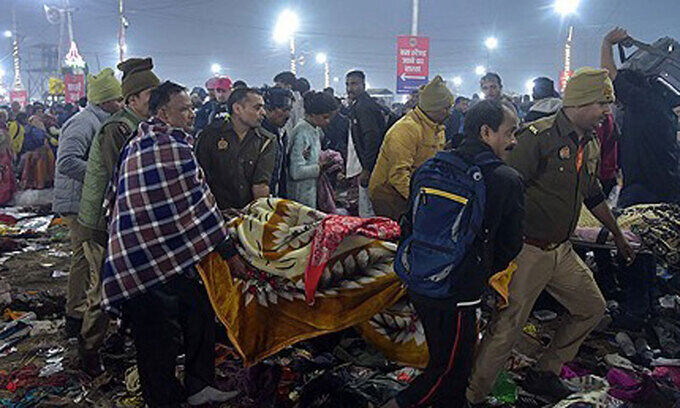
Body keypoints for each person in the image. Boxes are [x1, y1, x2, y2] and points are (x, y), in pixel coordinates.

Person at [466, 68, 635, 405]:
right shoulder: (536, 138)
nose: (607, 112)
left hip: (562, 251)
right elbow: (502, 187)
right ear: (581, 101)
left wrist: (616, 234)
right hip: (528, 250)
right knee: (507, 328)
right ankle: (471, 396)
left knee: (591, 308)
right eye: (603, 103)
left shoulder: (589, 142)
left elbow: (594, 193)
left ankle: (545, 372)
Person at [103, 81, 242, 407]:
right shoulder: (163, 147)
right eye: (184, 109)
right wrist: (229, 253)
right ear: (163, 113)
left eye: (192, 107)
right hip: (142, 258)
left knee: (199, 310)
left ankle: (198, 386)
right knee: (155, 337)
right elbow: (199, 206)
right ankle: (163, 398)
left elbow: (192, 205)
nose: (191, 114)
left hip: (167, 253)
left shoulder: (147, 142)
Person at [382, 99, 524, 408]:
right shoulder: (505, 179)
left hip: (420, 277)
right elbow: (510, 244)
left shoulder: (432, 166)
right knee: (450, 372)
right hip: (459, 290)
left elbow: (409, 222)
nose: (514, 141)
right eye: (510, 133)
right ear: (486, 132)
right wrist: (480, 272)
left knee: (441, 359)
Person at [76, 57, 160, 375]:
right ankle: (89, 351)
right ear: (131, 100)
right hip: (101, 224)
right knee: (101, 289)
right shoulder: (118, 129)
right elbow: (121, 182)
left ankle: (123, 342)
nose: (157, 102)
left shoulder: (141, 126)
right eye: (151, 96)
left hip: (126, 222)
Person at [600, 27, 680, 327]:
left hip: (645, 189)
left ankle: (635, 311)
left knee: (631, 248)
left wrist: (607, 43)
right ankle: (647, 303)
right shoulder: (661, 108)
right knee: (649, 248)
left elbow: (610, 75)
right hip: (662, 185)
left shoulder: (644, 104)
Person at [53, 68, 123, 344]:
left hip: (86, 200)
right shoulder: (84, 123)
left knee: (85, 259)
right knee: (84, 260)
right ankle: (75, 316)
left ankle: (78, 314)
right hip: (77, 202)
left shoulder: (98, 121)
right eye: (117, 100)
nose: (120, 105)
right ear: (105, 101)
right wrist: (99, 175)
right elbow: (67, 161)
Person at [368, 75, 452, 220]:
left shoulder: (438, 129)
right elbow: (398, 175)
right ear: (435, 108)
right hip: (390, 194)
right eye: (446, 108)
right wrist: (421, 201)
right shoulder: (406, 130)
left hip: (415, 190)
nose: (449, 112)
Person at [195, 87, 276, 210]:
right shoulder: (211, 135)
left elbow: (260, 185)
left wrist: (261, 218)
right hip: (216, 213)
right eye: (257, 108)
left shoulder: (266, 140)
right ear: (237, 109)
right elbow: (200, 178)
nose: (263, 112)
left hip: (249, 214)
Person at [346, 70, 387, 217]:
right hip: (366, 165)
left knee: (367, 212)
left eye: (354, 84)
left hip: (369, 167)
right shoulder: (359, 104)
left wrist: (367, 169)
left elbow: (372, 137)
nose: (350, 88)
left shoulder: (364, 107)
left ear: (363, 85)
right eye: (348, 84)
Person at [287, 91, 338, 208]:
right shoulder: (302, 132)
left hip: (311, 190)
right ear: (312, 114)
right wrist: (319, 168)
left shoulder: (314, 129)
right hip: (300, 195)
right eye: (325, 117)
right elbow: (296, 172)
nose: (328, 121)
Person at [261, 87, 293, 198]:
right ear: (268, 109)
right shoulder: (260, 136)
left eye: (289, 110)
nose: (288, 115)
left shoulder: (281, 133)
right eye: (284, 110)